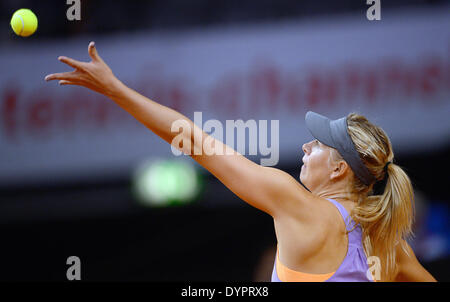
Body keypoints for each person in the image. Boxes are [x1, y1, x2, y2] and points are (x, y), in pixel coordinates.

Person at [45, 42, 437, 282]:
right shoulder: (389, 246)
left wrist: (114, 89)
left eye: (317, 146)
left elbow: (194, 140)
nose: (304, 148)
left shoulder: (297, 205)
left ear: (339, 169)